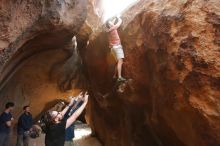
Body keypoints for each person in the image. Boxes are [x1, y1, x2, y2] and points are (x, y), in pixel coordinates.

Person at [106, 16, 126, 82]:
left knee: (117, 62)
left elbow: (112, 24)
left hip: (112, 49)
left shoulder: (109, 31)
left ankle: (114, 75)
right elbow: (120, 22)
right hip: (117, 47)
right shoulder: (114, 28)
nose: (112, 23)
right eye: (111, 23)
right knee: (120, 61)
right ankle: (119, 77)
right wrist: (118, 17)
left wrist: (113, 19)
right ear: (110, 25)